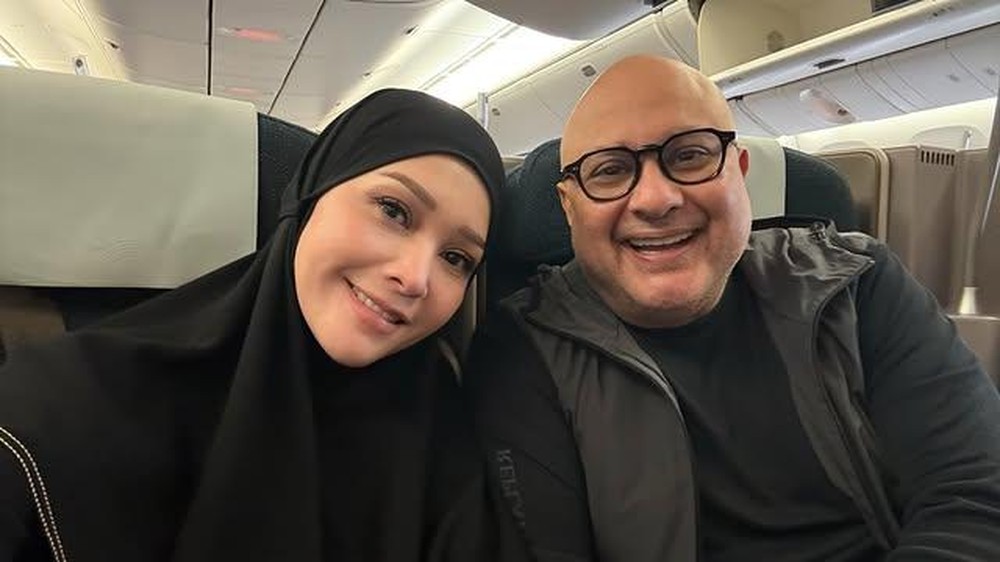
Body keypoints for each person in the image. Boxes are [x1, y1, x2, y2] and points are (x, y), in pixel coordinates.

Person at [467, 55, 1000, 562]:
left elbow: (976, 497)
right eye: (608, 171)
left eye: (690, 155)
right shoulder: (524, 347)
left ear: (738, 171)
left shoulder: (856, 282)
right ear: (569, 206)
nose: (655, 199)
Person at [0, 89, 529, 562]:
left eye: (456, 258)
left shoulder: (449, 440)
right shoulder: (65, 404)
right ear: (310, 197)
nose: (415, 278)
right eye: (394, 211)